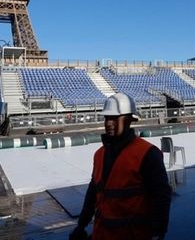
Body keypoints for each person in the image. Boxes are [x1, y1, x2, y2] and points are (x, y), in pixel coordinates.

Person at [70, 92, 171, 240]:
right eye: (106, 118)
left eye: (114, 118)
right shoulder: (99, 155)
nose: (109, 123)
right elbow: (93, 194)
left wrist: (157, 233)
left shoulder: (148, 154)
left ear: (129, 120)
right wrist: (81, 225)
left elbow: (161, 197)